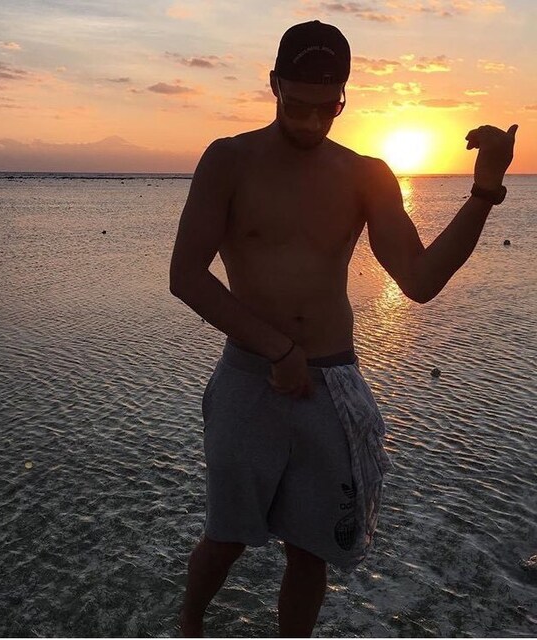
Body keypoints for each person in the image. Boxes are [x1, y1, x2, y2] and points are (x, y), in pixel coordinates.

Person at [169, 19, 518, 638]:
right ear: (273, 84)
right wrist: (277, 349)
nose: (309, 122)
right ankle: (188, 628)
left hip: (330, 385)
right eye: (296, 105)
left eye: (324, 109)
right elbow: (186, 276)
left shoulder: (366, 174)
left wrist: (484, 191)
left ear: (344, 99)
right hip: (250, 379)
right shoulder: (229, 160)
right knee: (226, 538)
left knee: (311, 550)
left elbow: (419, 279)